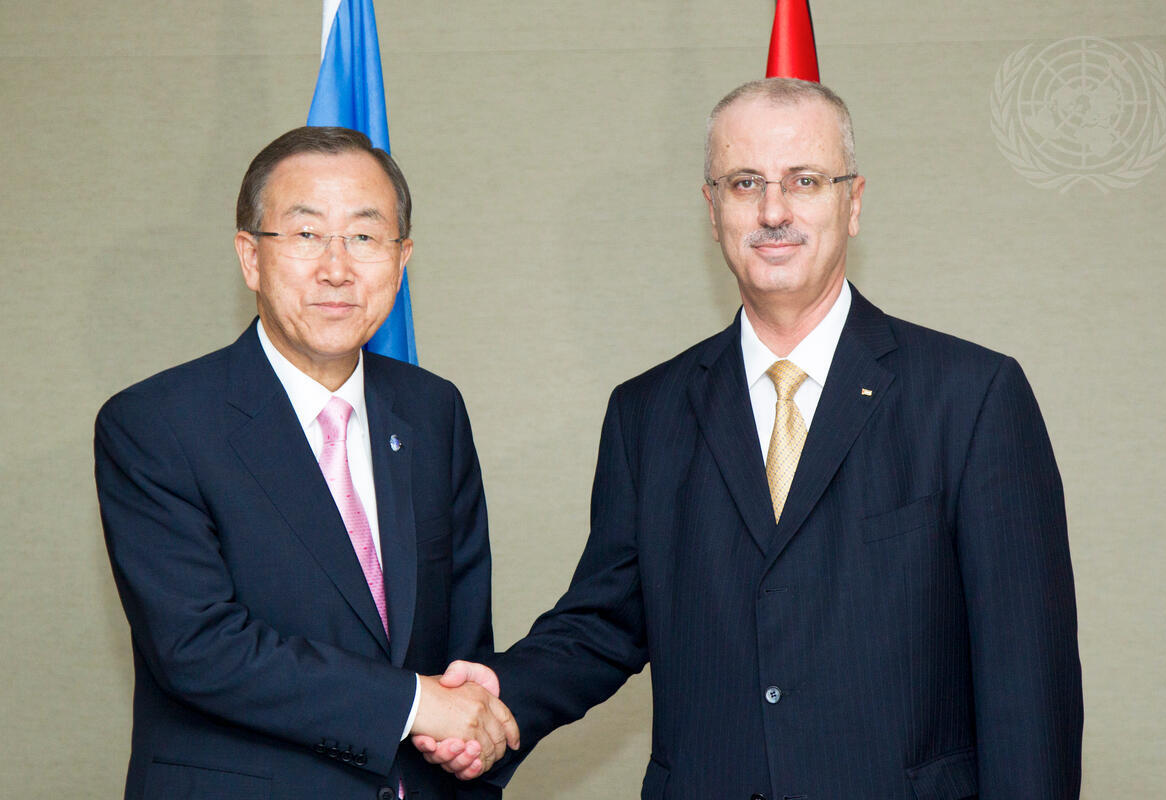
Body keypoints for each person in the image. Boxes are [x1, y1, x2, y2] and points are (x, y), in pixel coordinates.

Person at [417, 79, 1083, 798]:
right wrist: (503, 692)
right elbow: (606, 620)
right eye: (744, 183)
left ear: (854, 202)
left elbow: (1029, 679)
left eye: (805, 180)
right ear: (712, 210)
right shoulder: (647, 413)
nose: (773, 211)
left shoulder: (972, 397)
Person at [95, 126, 518, 800]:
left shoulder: (432, 410)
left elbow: (463, 639)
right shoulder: (156, 423)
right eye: (306, 234)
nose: (336, 268)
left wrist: (470, 740)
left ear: (401, 259)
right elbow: (199, 647)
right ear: (250, 258)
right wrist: (414, 705)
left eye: (365, 236)